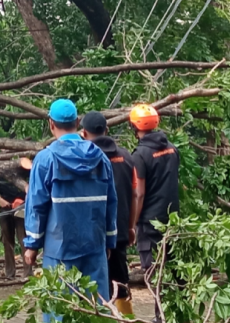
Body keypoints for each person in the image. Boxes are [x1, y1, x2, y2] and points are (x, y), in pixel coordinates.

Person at [24, 99, 118, 308]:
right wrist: (109, 242)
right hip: (95, 248)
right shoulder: (101, 158)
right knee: (96, 310)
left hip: (59, 252)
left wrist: (32, 245)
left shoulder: (45, 159)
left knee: (61, 309)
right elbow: (111, 203)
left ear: (51, 124)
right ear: (77, 122)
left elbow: (36, 207)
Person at [127, 104, 180, 322]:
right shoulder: (172, 149)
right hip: (174, 220)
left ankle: (161, 317)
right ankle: (175, 314)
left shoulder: (140, 154)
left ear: (134, 126)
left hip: (150, 222)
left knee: (153, 272)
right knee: (175, 271)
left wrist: (133, 223)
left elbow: (138, 193)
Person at [80, 111, 134, 315]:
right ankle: (126, 318)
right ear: (107, 129)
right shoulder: (126, 157)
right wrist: (131, 225)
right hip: (119, 229)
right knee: (120, 281)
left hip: (89, 232)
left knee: (89, 282)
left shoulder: (82, 158)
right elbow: (137, 193)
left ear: (83, 132)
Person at [0, 161, 32, 279]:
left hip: (21, 207)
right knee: (7, 240)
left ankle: (28, 273)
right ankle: (10, 273)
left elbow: (32, 186)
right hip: (5, 207)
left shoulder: (24, 168)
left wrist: (25, 201)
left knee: (24, 239)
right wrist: (0, 200)